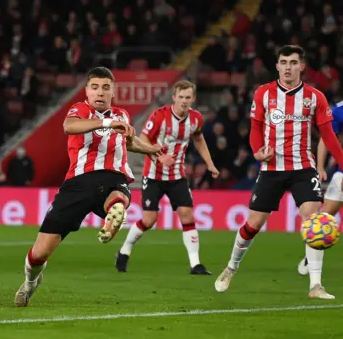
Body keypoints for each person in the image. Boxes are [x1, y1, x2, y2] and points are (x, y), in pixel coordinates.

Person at [14, 67, 163, 307]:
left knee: (118, 194)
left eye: (105, 88)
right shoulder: (80, 110)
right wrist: (107, 122)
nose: (100, 92)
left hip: (113, 177)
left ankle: (115, 211)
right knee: (39, 254)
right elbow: (69, 126)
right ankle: (31, 282)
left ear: (113, 91)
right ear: (87, 91)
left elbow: (127, 142)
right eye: (95, 87)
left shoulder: (121, 115)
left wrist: (150, 149)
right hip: (78, 183)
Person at [214, 45, 343, 299]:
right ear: (277, 66)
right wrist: (256, 151)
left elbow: (329, 136)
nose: (287, 67)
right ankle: (231, 267)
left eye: (293, 62)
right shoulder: (264, 93)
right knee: (254, 224)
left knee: (314, 221)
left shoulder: (315, 97)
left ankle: (315, 285)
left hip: (303, 168)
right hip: (272, 168)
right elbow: (255, 128)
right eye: (283, 62)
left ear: (301, 67)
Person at [115, 80, 219, 275]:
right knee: (149, 219)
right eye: (181, 97)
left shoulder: (196, 119)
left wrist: (210, 163)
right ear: (174, 98)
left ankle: (195, 264)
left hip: (177, 176)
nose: (184, 102)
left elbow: (198, 139)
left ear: (193, 99)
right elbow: (144, 139)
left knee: (187, 215)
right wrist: (159, 156)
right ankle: (124, 251)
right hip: (153, 175)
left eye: (188, 98)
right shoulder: (160, 116)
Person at [297, 98, 343, 276]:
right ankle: (311, 255)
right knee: (324, 218)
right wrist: (321, 167)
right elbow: (327, 138)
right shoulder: (339, 110)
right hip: (341, 173)